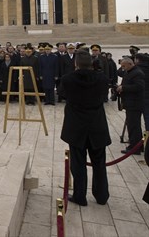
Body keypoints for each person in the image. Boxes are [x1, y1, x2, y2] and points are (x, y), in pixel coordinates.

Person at [60, 50, 111, 206]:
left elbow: (62, 94)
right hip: (96, 125)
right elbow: (103, 96)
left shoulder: (68, 79)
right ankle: (102, 196)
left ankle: (80, 196)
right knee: (99, 163)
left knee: (78, 164)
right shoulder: (102, 79)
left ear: (76, 63)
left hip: (76, 126)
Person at [117, 57, 145, 155]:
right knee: (133, 125)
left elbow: (139, 87)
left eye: (124, 66)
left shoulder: (137, 73)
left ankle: (134, 147)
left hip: (135, 104)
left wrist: (123, 88)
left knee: (134, 126)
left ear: (130, 64)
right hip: (130, 103)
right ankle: (138, 146)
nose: (123, 68)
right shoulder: (130, 72)